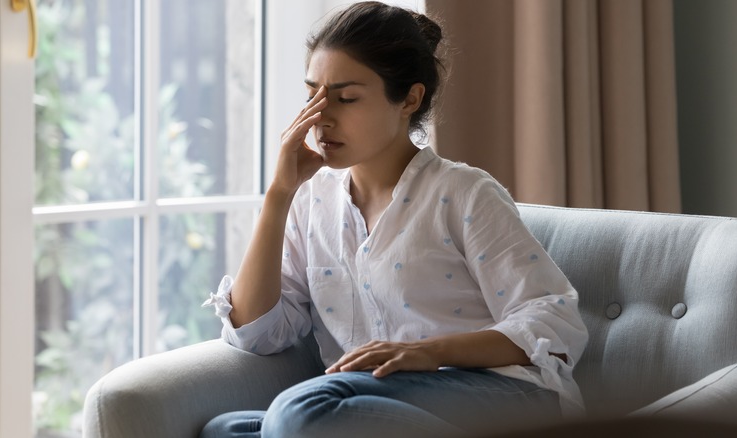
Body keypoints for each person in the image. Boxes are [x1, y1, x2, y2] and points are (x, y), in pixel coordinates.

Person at [201, 2, 588, 437]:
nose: (320, 118)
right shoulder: (311, 203)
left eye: (346, 98)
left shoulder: (463, 193)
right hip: (375, 403)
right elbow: (258, 334)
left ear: (409, 99)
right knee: (224, 430)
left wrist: (427, 352)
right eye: (312, 96)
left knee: (299, 413)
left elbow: (554, 323)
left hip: (502, 395)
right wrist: (279, 195)